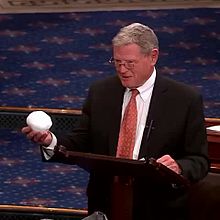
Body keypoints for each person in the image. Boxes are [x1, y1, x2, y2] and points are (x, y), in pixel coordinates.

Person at [22, 23, 209, 219]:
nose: (122, 70)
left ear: (153, 56)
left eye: (130, 62)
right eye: (117, 61)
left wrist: (179, 167)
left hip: (159, 209)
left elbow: (199, 160)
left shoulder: (184, 99)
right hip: (105, 206)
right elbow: (81, 142)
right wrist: (50, 141)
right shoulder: (101, 92)